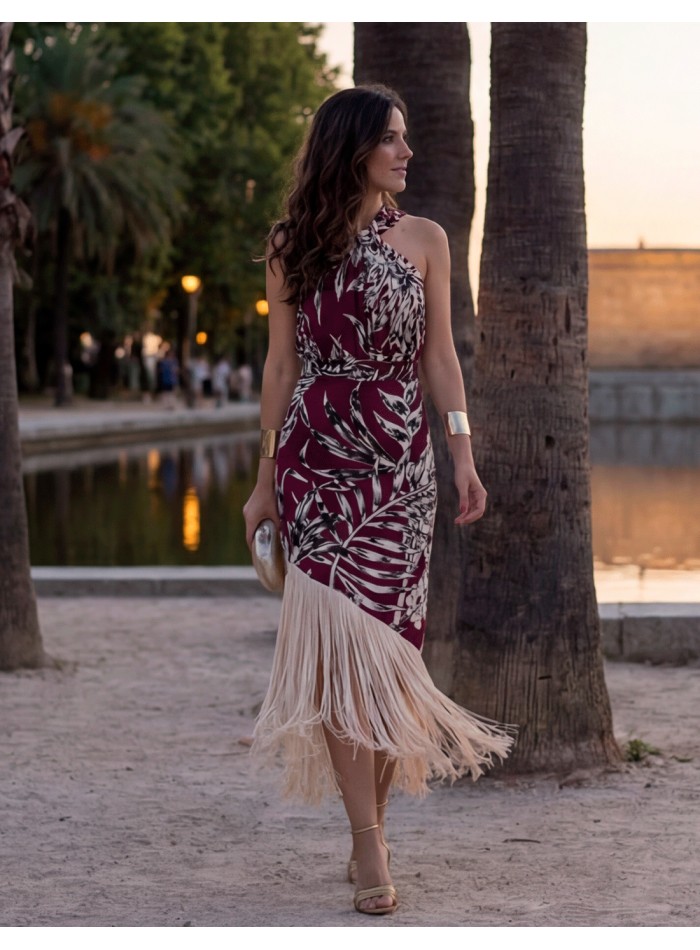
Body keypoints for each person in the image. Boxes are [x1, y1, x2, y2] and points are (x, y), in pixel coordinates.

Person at [243, 84, 514, 917]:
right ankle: (368, 847)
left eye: (406, 138)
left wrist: (462, 454)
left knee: (390, 665)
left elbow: (441, 359)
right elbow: (282, 367)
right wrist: (262, 479)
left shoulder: (427, 239)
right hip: (318, 460)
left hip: (401, 467)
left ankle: (374, 826)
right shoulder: (293, 244)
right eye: (392, 140)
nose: (406, 152)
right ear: (353, 147)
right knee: (335, 657)